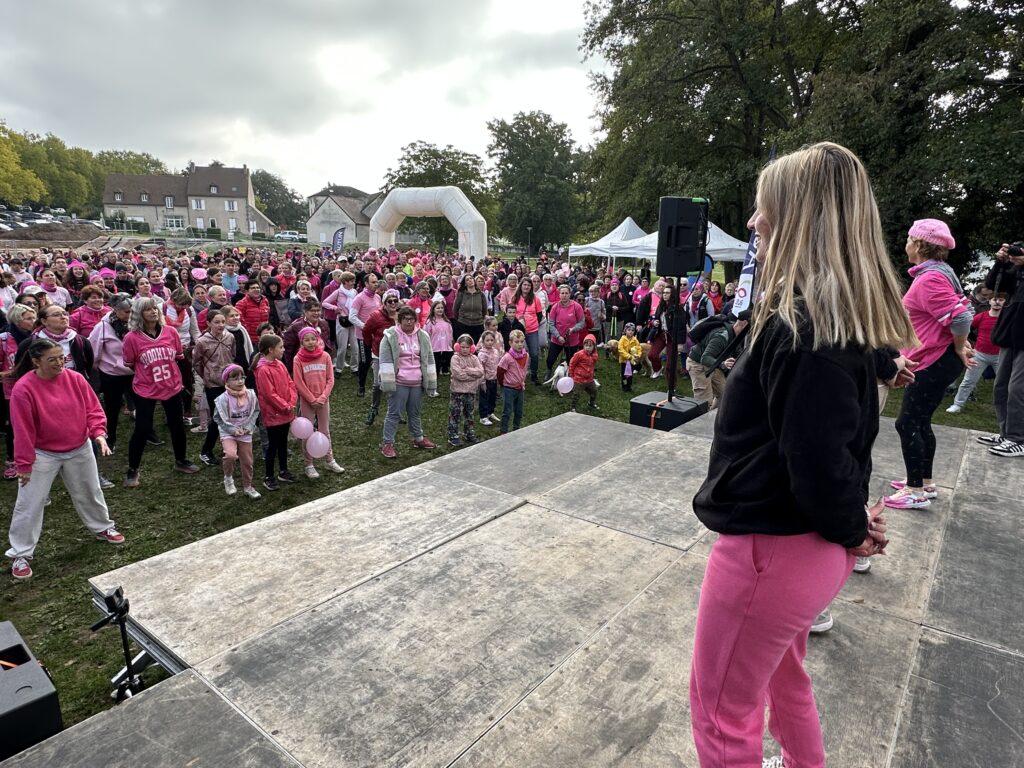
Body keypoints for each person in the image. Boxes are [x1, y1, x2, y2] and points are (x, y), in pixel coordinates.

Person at [689, 142, 913, 767]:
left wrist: (851, 527)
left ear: (800, 219)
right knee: (784, 684)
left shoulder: (803, 330)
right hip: (801, 550)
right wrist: (851, 526)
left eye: (764, 211)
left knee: (721, 714)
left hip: (773, 550)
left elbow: (817, 461)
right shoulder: (831, 321)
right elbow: (830, 435)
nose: (755, 223)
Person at [6, 338, 124, 580]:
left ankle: (103, 527)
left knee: (90, 490)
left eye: (62, 357)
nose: (60, 363)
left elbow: (93, 409)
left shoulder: (75, 379)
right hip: (43, 453)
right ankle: (21, 553)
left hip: (79, 446)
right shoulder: (24, 389)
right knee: (30, 502)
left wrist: (99, 434)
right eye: (52, 360)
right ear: (36, 362)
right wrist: (25, 464)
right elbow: (23, 430)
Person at [884, 219, 975, 509]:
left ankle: (914, 491)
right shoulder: (940, 272)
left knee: (907, 422)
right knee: (920, 421)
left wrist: (960, 344)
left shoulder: (931, 278)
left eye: (910, 238)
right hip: (938, 358)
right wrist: (957, 342)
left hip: (934, 360)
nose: (906, 243)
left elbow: (962, 317)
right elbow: (964, 307)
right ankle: (925, 483)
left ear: (921, 244)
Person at [121, 297, 201, 487]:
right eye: (148, 310)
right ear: (139, 313)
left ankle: (181, 460)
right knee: (142, 428)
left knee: (177, 425)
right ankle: (132, 470)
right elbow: (131, 363)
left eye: (154, 309)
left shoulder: (170, 332)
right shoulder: (131, 338)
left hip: (171, 386)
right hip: (146, 389)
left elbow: (179, 358)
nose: (153, 312)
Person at [980, 242, 1024, 456]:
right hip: (1010, 335)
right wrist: (1001, 263)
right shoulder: (1017, 271)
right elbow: (992, 286)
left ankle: (1018, 438)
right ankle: (1006, 433)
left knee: (1018, 389)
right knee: (1001, 385)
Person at [378, 306, 437, 458]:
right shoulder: (390, 336)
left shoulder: (422, 336)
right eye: (406, 319)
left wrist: (430, 381)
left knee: (415, 412)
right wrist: (388, 382)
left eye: (412, 319)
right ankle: (388, 443)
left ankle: (418, 438)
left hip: (417, 381)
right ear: (400, 320)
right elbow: (385, 359)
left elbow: (429, 358)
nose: (409, 322)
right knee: (394, 414)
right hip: (399, 382)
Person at [292, 327, 344, 477]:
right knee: (307, 432)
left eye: (313, 339)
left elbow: (330, 379)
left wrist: (322, 398)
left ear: (317, 339)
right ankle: (309, 464)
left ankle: (330, 460)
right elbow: (298, 381)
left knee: (325, 430)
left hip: (323, 400)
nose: (310, 342)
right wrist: (311, 399)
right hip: (308, 401)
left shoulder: (325, 356)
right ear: (301, 342)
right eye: (306, 340)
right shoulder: (298, 359)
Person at [87, 294, 134, 454]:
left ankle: (147, 432)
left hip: (134, 371)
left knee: (142, 403)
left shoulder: (135, 323)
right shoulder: (102, 327)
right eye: (126, 312)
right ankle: (110, 437)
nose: (130, 315)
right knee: (113, 407)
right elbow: (93, 351)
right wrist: (101, 366)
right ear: (116, 311)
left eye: (132, 311)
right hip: (112, 373)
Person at [192, 308, 237, 465]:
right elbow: (196, 362)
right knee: (218, 418)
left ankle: (230, 447)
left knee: (231, 415)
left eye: (223, 322)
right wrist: (208, 376)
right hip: (213, 385)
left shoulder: (230, 337)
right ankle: (206, 451)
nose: (220, 325)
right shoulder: (202, 342)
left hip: (229, 383)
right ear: (208, 323)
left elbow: (233, 355)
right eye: (217, 322)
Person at [947, 293, 1004, 413]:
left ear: (1005, 302)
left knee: (1003, 384)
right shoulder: (982, 316)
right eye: (994, 299)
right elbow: (968, 328)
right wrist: (969, 340)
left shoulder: (1005, 319)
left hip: (1000, 356)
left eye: (1001, 300)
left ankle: (1004, 409)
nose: (997, 302)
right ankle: (957, 405)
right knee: (968, 381)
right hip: (979, 354)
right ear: (989, 301)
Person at [254, 333, 297, 491]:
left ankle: (283, 471)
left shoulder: (280, 364)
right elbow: (269, 394)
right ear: (271, 350)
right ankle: (269, 476)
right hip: (273, 414)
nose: (283, 349)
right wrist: (285, 406)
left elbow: (290, 383)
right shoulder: (263, 370)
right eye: (281, 347)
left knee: (283, 443)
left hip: (286, 412)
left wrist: (291, 402)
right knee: (272, 446)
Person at [213, 364, 261, 499]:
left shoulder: (251, 395)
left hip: (245, 431)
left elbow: (255, 411)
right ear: (226, 381)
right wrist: (231, 430)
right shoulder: (223, 399)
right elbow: (217, 417)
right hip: (229, 432)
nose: (240, 381)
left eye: (242, 378)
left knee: (247, 461)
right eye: (235, 379)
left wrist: (249, 426)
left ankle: (248, 487)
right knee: (230, 455)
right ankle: (228, 478)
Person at [0, 304, 37, 479]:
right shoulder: (4, 340)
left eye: (34, 317)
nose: (33, 321)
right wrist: (12, 373)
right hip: (12, 390)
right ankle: (12, 459)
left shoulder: (37, 337)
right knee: (14, 427)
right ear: (16, 319)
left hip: (37, 386)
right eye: (28, 318)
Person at [686, 311, 751, 410]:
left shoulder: (736, 335)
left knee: (726, 394)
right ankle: (701, 421)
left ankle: (713, 416)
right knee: (704, 401)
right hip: (698, 364)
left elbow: (738, 355)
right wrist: (722, 364)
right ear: (745, 323)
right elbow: (705, 358)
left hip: (714, 364)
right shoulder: (722, 336)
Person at [362, 290, 400, 425]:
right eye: (390, 301)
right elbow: (366, 331)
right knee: (378, 383)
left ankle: (396, 411)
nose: (393, 303)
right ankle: (374, 408)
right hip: (379, 354)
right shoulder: (376, 316)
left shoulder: (401, 315)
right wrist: (371, 344)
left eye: (395, 300)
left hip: (397, 355)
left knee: (396, 383)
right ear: (384, 303)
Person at [448, 333, 484, 446]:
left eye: (467, 347)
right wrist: (473, 376)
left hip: (471, 392)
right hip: (457, 392)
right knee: (455, 413)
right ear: (458, 347)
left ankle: (469, 433)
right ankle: (453, 435)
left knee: (469, 413)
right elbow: (458, 374)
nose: (464, 349)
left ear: (471, 348)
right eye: (462, 347)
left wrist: (467, 370)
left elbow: (480, 372)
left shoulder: (474, 358)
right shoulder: (455, 358)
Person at [349, 273, 382, 397]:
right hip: (363, 336)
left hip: (377, 336)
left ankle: (380, 384)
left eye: (376, 281)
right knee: (365, 361)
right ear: (366, 284)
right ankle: (361, 386)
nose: (376, 284)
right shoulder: (359, 298)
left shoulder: (378, 297)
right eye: (373, 282)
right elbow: (352, 317)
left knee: (378, 359)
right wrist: (366, 327)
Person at [546, 285, 585, 378]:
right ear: (559, 295)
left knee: (571, 360)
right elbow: (551, 324)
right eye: (562, 293)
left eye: (566, 293)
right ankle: (549, 370)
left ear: (570, 294)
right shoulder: (555, 307)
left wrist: (574, 329)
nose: (564, 295)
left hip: (572, 340)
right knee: (550, 359)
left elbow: (581, 322)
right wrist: (558, 336)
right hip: (557, 339)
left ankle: (569, 375)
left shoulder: (577, 306)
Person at [497, 329, 528, 434]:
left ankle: (516, 429)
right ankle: (504, 431)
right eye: (516, 342)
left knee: (519, 411)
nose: (520, 344)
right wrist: (503, 384)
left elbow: (524, 370)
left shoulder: (526, 355)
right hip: (509, 388)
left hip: (520, 388)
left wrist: (522, 381)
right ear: (510, 343)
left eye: (522, 342)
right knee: (507, 411)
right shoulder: (507, 357)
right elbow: (500, 371)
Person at [568, 333, 600, 412]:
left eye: (590, 346)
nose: (588, 348)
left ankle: (591, 403)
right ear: (583, 345)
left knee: (594, 392)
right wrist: (571, 374)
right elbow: (572, 364)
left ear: (594, 347)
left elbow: (593, 364)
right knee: (576, 394)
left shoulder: (594, 355)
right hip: (579, 379)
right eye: (586, 345)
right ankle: (573, 407)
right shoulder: (579, 354)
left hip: (589, 379)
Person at [477, 330, 502, 425]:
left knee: (492, 397)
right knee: (484, 398)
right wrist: (482, 382)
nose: (490, 342)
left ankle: (490, 412)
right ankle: (483, 416)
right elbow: (480, 369)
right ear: (483, 341)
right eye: (487, 340)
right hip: (486, 380)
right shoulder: (482, 354)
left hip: (494, 379)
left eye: (492, 340)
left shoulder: (495, 351)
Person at [425, 300, 454, 376]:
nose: (440, 309)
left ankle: (445, 370)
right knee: (436, 367)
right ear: (433, 310)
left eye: (442, 308)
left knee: (447, 361)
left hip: (446, 347)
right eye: (438, 308)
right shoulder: (430, 322)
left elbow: (450, 334)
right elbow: (426, 335)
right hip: (434, 348)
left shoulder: (447, 321)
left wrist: (450, 344)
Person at [617, 322, 643, 392]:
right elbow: (620, 350)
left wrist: (637, 355)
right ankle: (624, 386)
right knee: (624, 375)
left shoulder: (635, 340)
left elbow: (639, 348)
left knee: (630, 375)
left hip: (632, 361)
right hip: (624, 361)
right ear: (625, 331)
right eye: (629, 330)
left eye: (632, 330)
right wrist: (628, 356)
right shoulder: (622, 340)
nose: (630, 332)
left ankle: (629, 386)